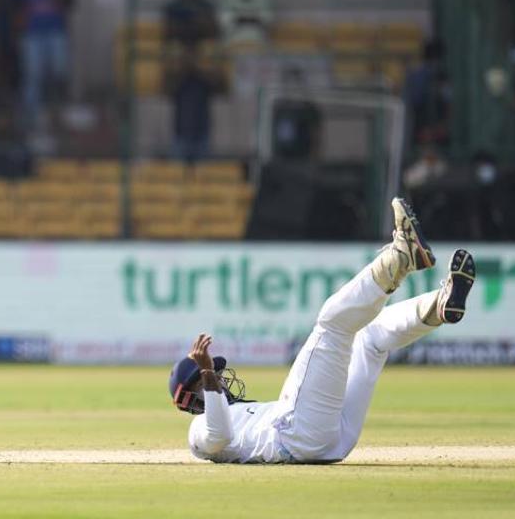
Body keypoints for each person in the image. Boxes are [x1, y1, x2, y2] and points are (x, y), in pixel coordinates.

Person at [169, 199, 476, 464]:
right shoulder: (196, 433)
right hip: (298, 435)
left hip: (329, 442)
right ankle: (401, 257)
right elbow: (219, 435)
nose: (220, 379)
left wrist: (208, 376)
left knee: (369, 338)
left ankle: (438, 305)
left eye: (217, 375)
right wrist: (206, 373)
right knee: (332, 323)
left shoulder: (242, 410)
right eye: (209, 379)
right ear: (190, 397)